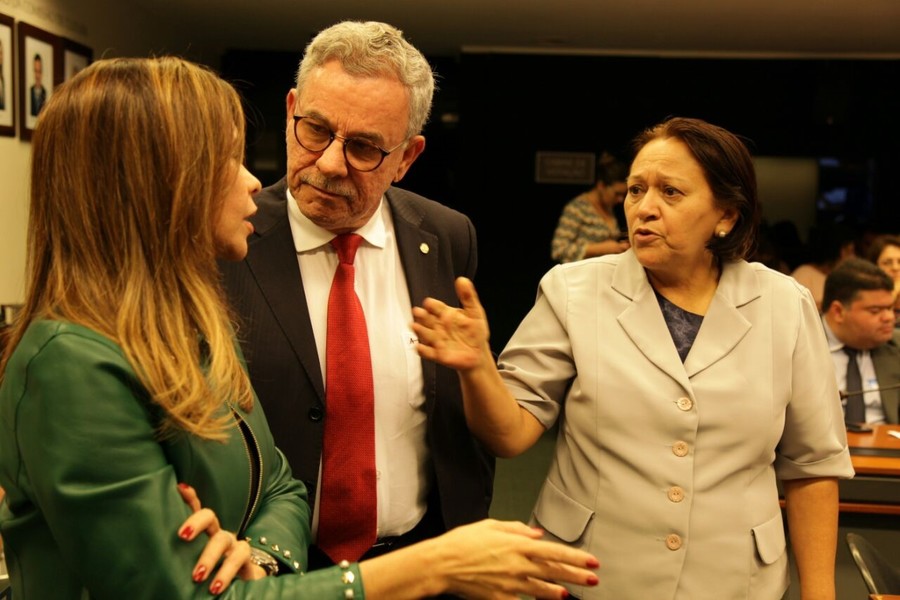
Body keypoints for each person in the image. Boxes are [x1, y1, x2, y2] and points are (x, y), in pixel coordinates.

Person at [0, 56, 600, 600]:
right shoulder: (73, 362)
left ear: (407, 158)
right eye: (225, 161)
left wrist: (258, 553)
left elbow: (279, 485)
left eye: (366, 146)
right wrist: (435, 565)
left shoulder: (189, 323)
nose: (254, 182)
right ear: (157, 190)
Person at [413, 116, 854, 599]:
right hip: (590, 574)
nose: (644, 208)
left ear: (725, 215)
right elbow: (510, 434)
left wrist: (820, 594)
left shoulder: (784, 305)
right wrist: (478, 367)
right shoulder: (573, 290)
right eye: (635, 190)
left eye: (671, 193)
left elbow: (812, 465)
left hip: (734, 581)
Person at [218, 20, 495, 572]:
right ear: (292, 106)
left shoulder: (445, 237)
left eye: (365, 147)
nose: (328, 163)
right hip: (271, 568)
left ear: (408, 157)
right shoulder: (225, 240)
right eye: (314, 130)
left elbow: (456, 411)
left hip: (423, 557)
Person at [822, 257, 900, 425]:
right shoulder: (798, 346)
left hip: (887, 446)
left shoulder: (896, 346)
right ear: (838, 312)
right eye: (875, 310)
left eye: (890, 308)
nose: (889, 317)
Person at [550, 152, 630, 263]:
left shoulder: (608, 207)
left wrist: (618, 247)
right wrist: (601, 248)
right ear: (601, 186)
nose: (621, 199)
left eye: (623, 194)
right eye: (617, 194)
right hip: (579, 276)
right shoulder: (577, 208)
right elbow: (559, 249)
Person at [790, 221, 857, 312]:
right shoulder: (804, 274)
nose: (853, 257)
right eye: (850, 251)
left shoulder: (847, 277)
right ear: (840, 252)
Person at [866, 233, 900, 327]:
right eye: (887, 263)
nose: (895, 267)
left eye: (899, 261)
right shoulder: (867, 299)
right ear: (874, 267)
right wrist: (893, 293)